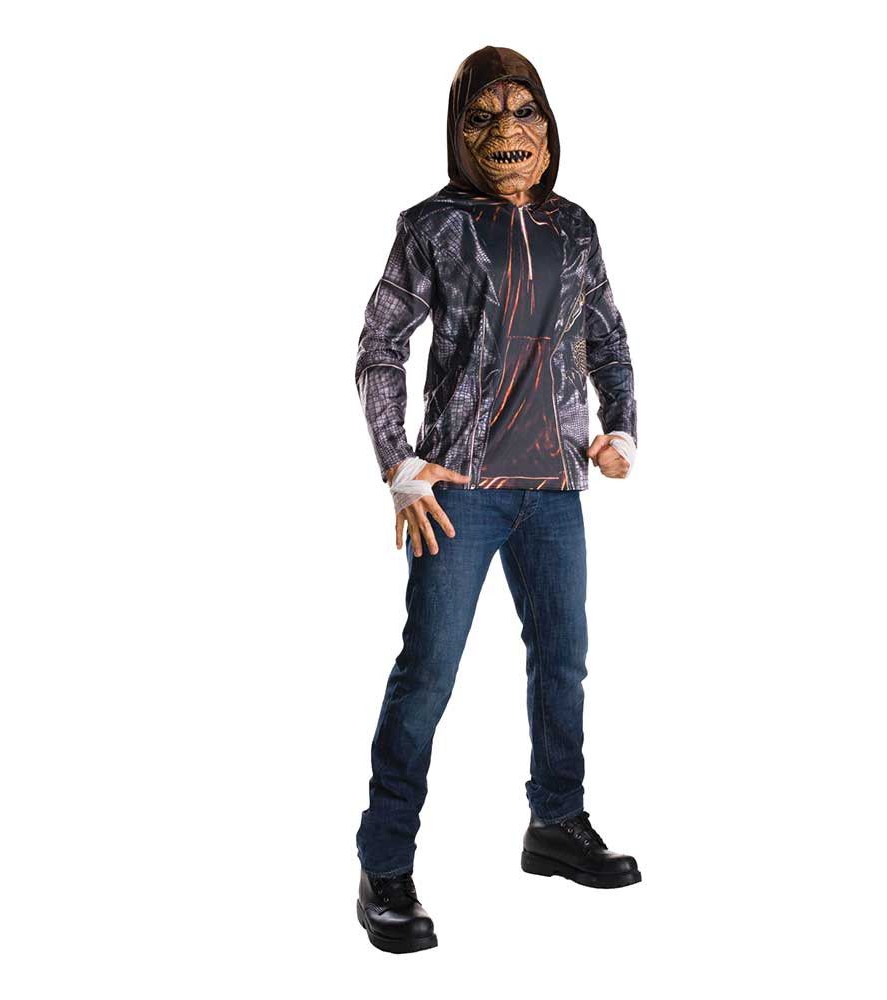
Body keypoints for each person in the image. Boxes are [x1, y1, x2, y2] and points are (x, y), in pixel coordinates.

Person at [354, 46, 641, 954]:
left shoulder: (574, 227)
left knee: (563, 663)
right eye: (483, 116)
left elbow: (607, 338)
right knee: (428, 673)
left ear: (549, 126)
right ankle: (384, 864)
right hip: (461, 494)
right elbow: (379, 347)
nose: (507, 131)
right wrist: (400, 463)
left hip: (554, 489)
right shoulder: (433, 226)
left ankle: (555, 822)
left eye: (524, 113)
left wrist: (620, 428)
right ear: (459, 133)